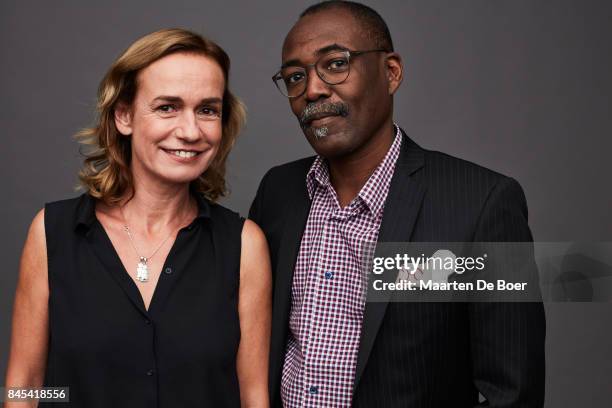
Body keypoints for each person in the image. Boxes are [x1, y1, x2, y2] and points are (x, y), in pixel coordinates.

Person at [249, 1, 545, 407]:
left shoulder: (482, 204)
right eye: (295, 77)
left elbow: (513, 392)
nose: (312, 89)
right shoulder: (278, 192)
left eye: (335, 64)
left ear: (391, 73)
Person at [5, 28, 271, 408]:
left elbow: (253, 397)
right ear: (124, 116)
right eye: (167, 107)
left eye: (207, 110)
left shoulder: (245, 244)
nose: (191, 130)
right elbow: (24, 386)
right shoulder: (52, 232)